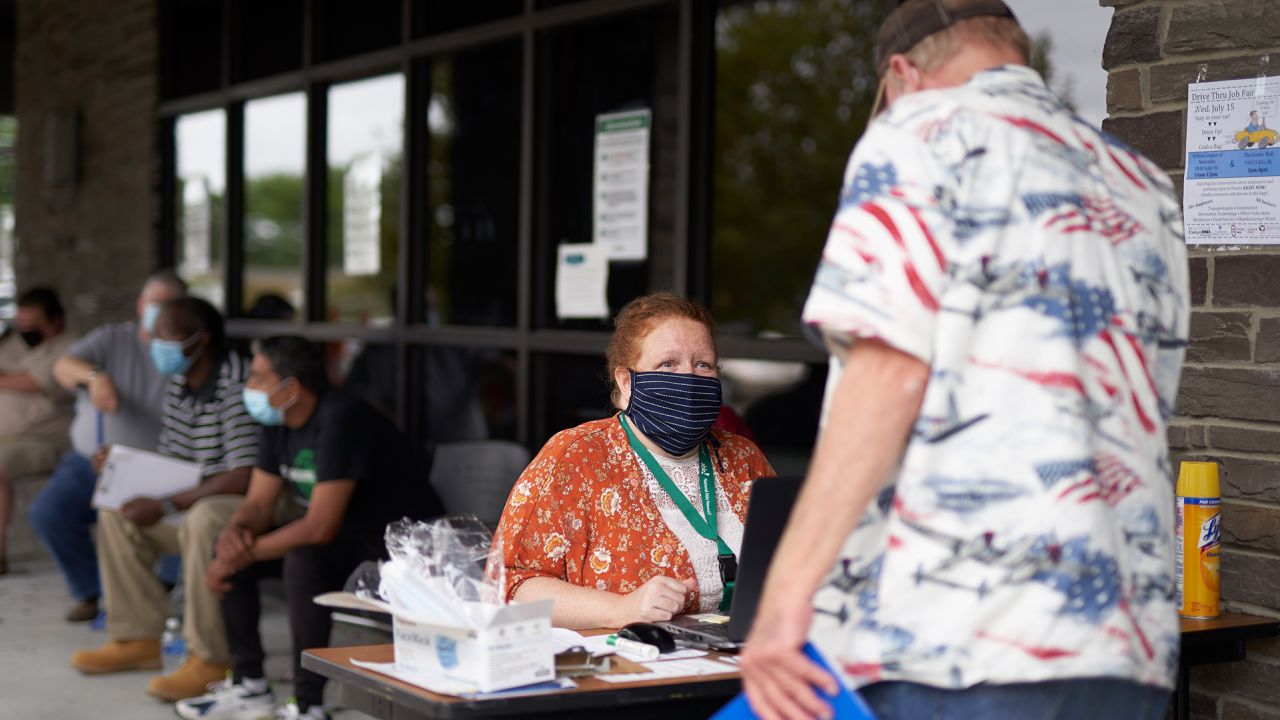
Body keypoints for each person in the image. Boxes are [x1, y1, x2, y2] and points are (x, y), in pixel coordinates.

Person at [739, 2, 1189, 720]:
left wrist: (783, 603)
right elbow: (1151, 399)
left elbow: (890, 373)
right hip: (1123, 643)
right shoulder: (1141, 185)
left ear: (901, 73)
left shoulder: (918, 132)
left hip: (954, 643)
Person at [174, 336, 443, 720]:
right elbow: (256, 504)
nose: (248, 386)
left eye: (258, 377)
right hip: (348, 540)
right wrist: (235, 536)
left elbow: (319, 527)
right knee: (233, 547)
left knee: (302, 559)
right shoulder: (278, 423)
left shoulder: (343, 419)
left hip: (399, 547)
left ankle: (308, 705)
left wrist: (231, 558)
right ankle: (250, 686)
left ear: (291, 388)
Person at [494, 292, 775, 630]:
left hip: (741, 659)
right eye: (667, 364)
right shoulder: (577, 457)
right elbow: (508, 587)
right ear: (626, 382)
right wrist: (620, 609)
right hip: (629, 668)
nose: (688, 377)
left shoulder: (742, 457)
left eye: (703, 364)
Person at [71, 297, 260, 704]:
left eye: (167, 336)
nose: (158, 344)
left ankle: (211, 659)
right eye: (155, 335)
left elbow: (244, 474)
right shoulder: (180, 383)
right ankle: (136, 639)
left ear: (201, 341)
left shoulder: (236, 380)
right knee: (116, 512)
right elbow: (175, 462)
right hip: (198, 498)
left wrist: (169, 504)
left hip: (249, 504)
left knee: (205, 517)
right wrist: (121, 465)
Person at [31, 271, 186, 621]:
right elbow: (63, 366)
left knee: (179, 519)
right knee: (49, 513)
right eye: (153, 303)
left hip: (160, 467)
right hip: (92, 460)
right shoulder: (113, 338)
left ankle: (154, 593)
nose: (157, 310)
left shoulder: (181, 352)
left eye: (167, 304)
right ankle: (93, 592)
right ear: (140, 305)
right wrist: (95, 377)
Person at [0, 287, 77, 574]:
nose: (26, 331)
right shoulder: (15, 343)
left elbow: (33, 381)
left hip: (44, 441)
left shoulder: (71, 347)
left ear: (55, 321)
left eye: (34, 326)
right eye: (22, 325)